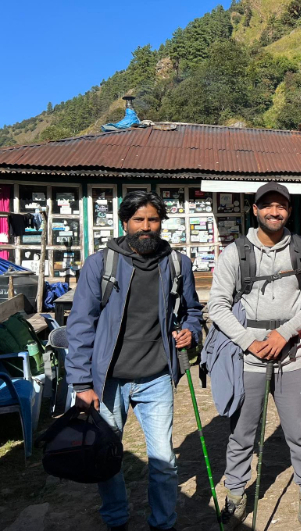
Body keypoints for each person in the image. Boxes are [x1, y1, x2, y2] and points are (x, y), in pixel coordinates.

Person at [66, 191, 203, 531]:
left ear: (161, 223)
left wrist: (190, 331)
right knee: (108, 457)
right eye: (139, 220)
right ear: (125, 222)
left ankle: (163, 523)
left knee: (164, 461)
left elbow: (193, 311)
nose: (146, 227)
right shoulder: (100, 264)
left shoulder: (176, 263)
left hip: (156, 377)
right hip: (108, 380)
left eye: (153, 220)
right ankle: (116, 521)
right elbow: (81, 325)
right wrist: (82, 384)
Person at [208, 181, 301, 531]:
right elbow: (217, 304)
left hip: (293, 356)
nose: (275, 212)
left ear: (289, 211)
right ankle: (234, 493)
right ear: (255, 210)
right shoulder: (235, 253)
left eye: (281, 206)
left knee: (300, 431)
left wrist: (283, 333)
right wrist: (247, 340)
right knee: (242, 431)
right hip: (248, 357)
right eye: (267, 206)